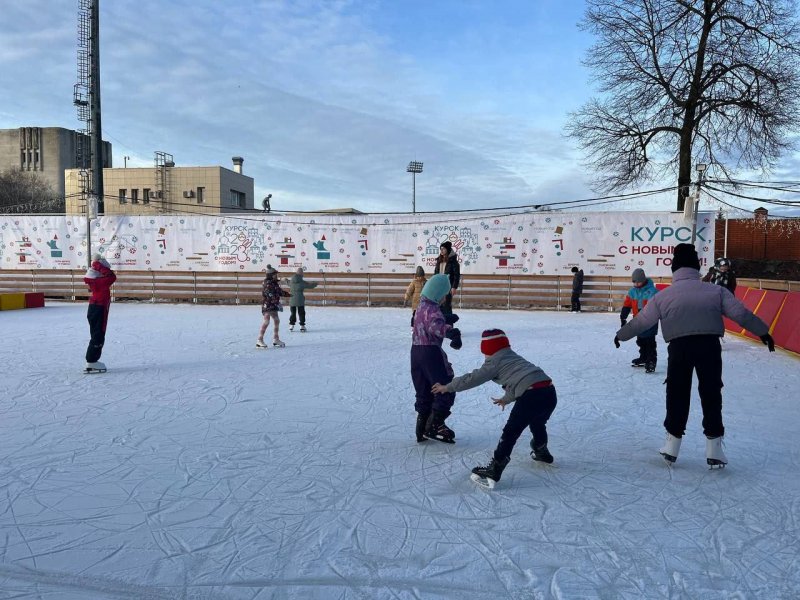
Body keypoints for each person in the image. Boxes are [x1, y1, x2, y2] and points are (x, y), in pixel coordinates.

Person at [614, 243, 775, 468]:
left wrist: (621, 335)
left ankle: (672, 445)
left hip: (679, 348)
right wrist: (763, 332)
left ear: (675, 268)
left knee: (677, 393)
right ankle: (715, 449)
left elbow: (641, 321)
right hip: (709, 346)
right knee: (711, 393)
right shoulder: (715, 291)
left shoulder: (663, 296)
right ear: (697, 266)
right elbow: (741, 313)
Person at [432, 329, 558, 489]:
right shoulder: (513, 357)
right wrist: (507, 398)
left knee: (511, 432)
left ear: (487, 350)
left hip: (531, 394)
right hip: (549, 391)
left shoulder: (493, 362)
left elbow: (472, 379)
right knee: (537, 423)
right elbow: (523, 379)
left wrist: (448, 387)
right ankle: (541, 450)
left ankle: (495, 468)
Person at [410, 273, 462, 444]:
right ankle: (435, 425)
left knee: (424, 389)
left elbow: (424, 322)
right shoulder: (432, 309)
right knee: (445, 386)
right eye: (443, 295)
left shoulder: (420, 306)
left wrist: (445, 319)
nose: (443, 299)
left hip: (416, 353)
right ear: (437, 293)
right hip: (431, 353)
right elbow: (434, 326)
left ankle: (422, 425)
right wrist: (451, 332)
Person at [620, 268, 659, 373]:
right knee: (641, 340)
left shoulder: (652, 291)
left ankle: (651, 361)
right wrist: (623, 317)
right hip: (638, 320)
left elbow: (658, 306)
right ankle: (643, 358)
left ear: (644, 280)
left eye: (638, 282)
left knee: (649, 341)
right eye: (634, 282)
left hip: (650, 321)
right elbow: (627, 305)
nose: (636, 284)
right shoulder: (632, 292)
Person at [83, 252, 116, 373]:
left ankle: (91, 360)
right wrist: (98, 265)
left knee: (96, 334)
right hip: (99, 308)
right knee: (98, 335)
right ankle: (92, 361)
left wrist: (96, 265)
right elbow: (112, 276)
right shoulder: (100, 281)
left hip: (93, 307)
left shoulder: (94, 281)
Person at [257, 265, 290, 348]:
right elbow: (271, 294)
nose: (276, 276)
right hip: (267, 305)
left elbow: (279, 291)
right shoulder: (267, 283)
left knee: (276, 320)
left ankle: (276, 339)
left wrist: (289, 294)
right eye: (275, 274)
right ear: (270, 275)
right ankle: (259, 340)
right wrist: (277, 302)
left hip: (273, 305)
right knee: (266, 321)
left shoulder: (273, 282)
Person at [287, 268, 318, 332]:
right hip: (300, 300)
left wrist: (285, 279)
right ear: (301, 274)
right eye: (302, 273)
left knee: (293, 313)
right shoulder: (301, 283)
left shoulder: (291, 282)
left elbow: (287, 282)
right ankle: (302, 326)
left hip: (292, 300)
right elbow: (310, 286)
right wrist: (315, 283)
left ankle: (291, 325)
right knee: (301, 313)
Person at [435, 241, 460, 316]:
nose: (441, 250)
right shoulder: (439, 261)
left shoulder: (453, 262)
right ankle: (439, 323)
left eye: (443, 249)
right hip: (439, 287)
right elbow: (436, 273)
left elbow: (456, 275)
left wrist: (454, 287)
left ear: (448, 249)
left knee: (447, 305)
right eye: (441, 249)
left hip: (448, 287)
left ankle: (449, 325)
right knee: (438, 306)